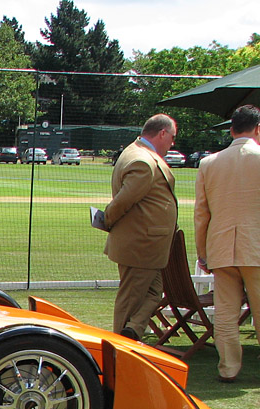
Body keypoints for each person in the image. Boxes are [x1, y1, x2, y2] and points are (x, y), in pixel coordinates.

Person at [194, 104, 260, 383]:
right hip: (256, 248)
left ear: (232, 129)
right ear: (258, 129)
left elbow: (201, 214)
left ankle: (228, 368)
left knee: (225, 313)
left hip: (221, 248)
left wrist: (203, 253)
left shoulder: (209, 163)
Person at [104, 114, 179, 340]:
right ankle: (120, 350)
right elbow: (123, 202)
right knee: (130, 302)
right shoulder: (143, 161)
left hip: (146, 247)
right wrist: (106, 220)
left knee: (155, 292)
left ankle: (133, 330)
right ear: (162, 133)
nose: (172, 144)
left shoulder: (137, 153)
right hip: (141, 246)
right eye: (172, 138)